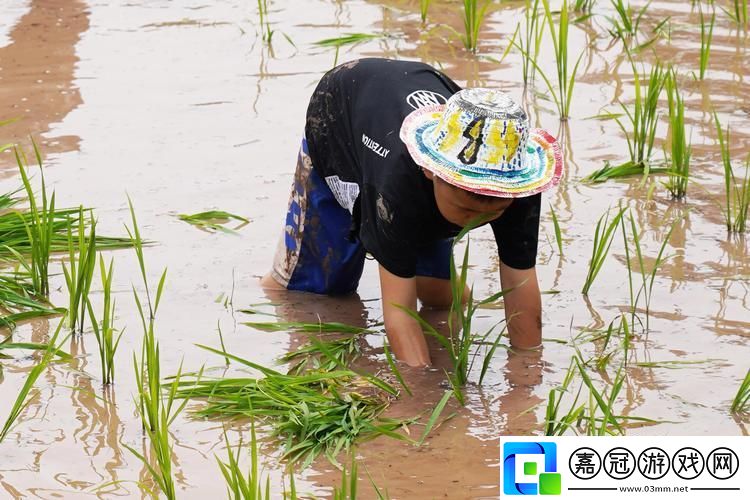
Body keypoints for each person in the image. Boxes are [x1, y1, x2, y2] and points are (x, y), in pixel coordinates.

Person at [261, 58, 563, 368]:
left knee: (440, 296)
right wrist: (422, 392)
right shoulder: (396, 184)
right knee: (317, 289)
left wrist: (528, 374)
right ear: (431, 171)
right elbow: (399, 316)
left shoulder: (516, 182)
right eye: (466, 210)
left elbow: (520, 280)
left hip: (413, 132)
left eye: (492, 211)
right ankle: (264, 297)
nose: (476, 220)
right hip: (340, 114)